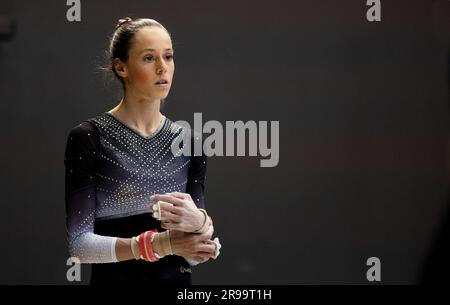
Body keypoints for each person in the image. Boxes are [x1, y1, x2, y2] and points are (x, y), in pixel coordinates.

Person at [64, 17, 221, 284]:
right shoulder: (90, 137)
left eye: (168, 56)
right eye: (149, 58)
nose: (163, 68)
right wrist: (161, 244)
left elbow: (193, 255)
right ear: (120, 67)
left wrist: (200, 225)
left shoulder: (189, 142)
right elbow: (81, 246)